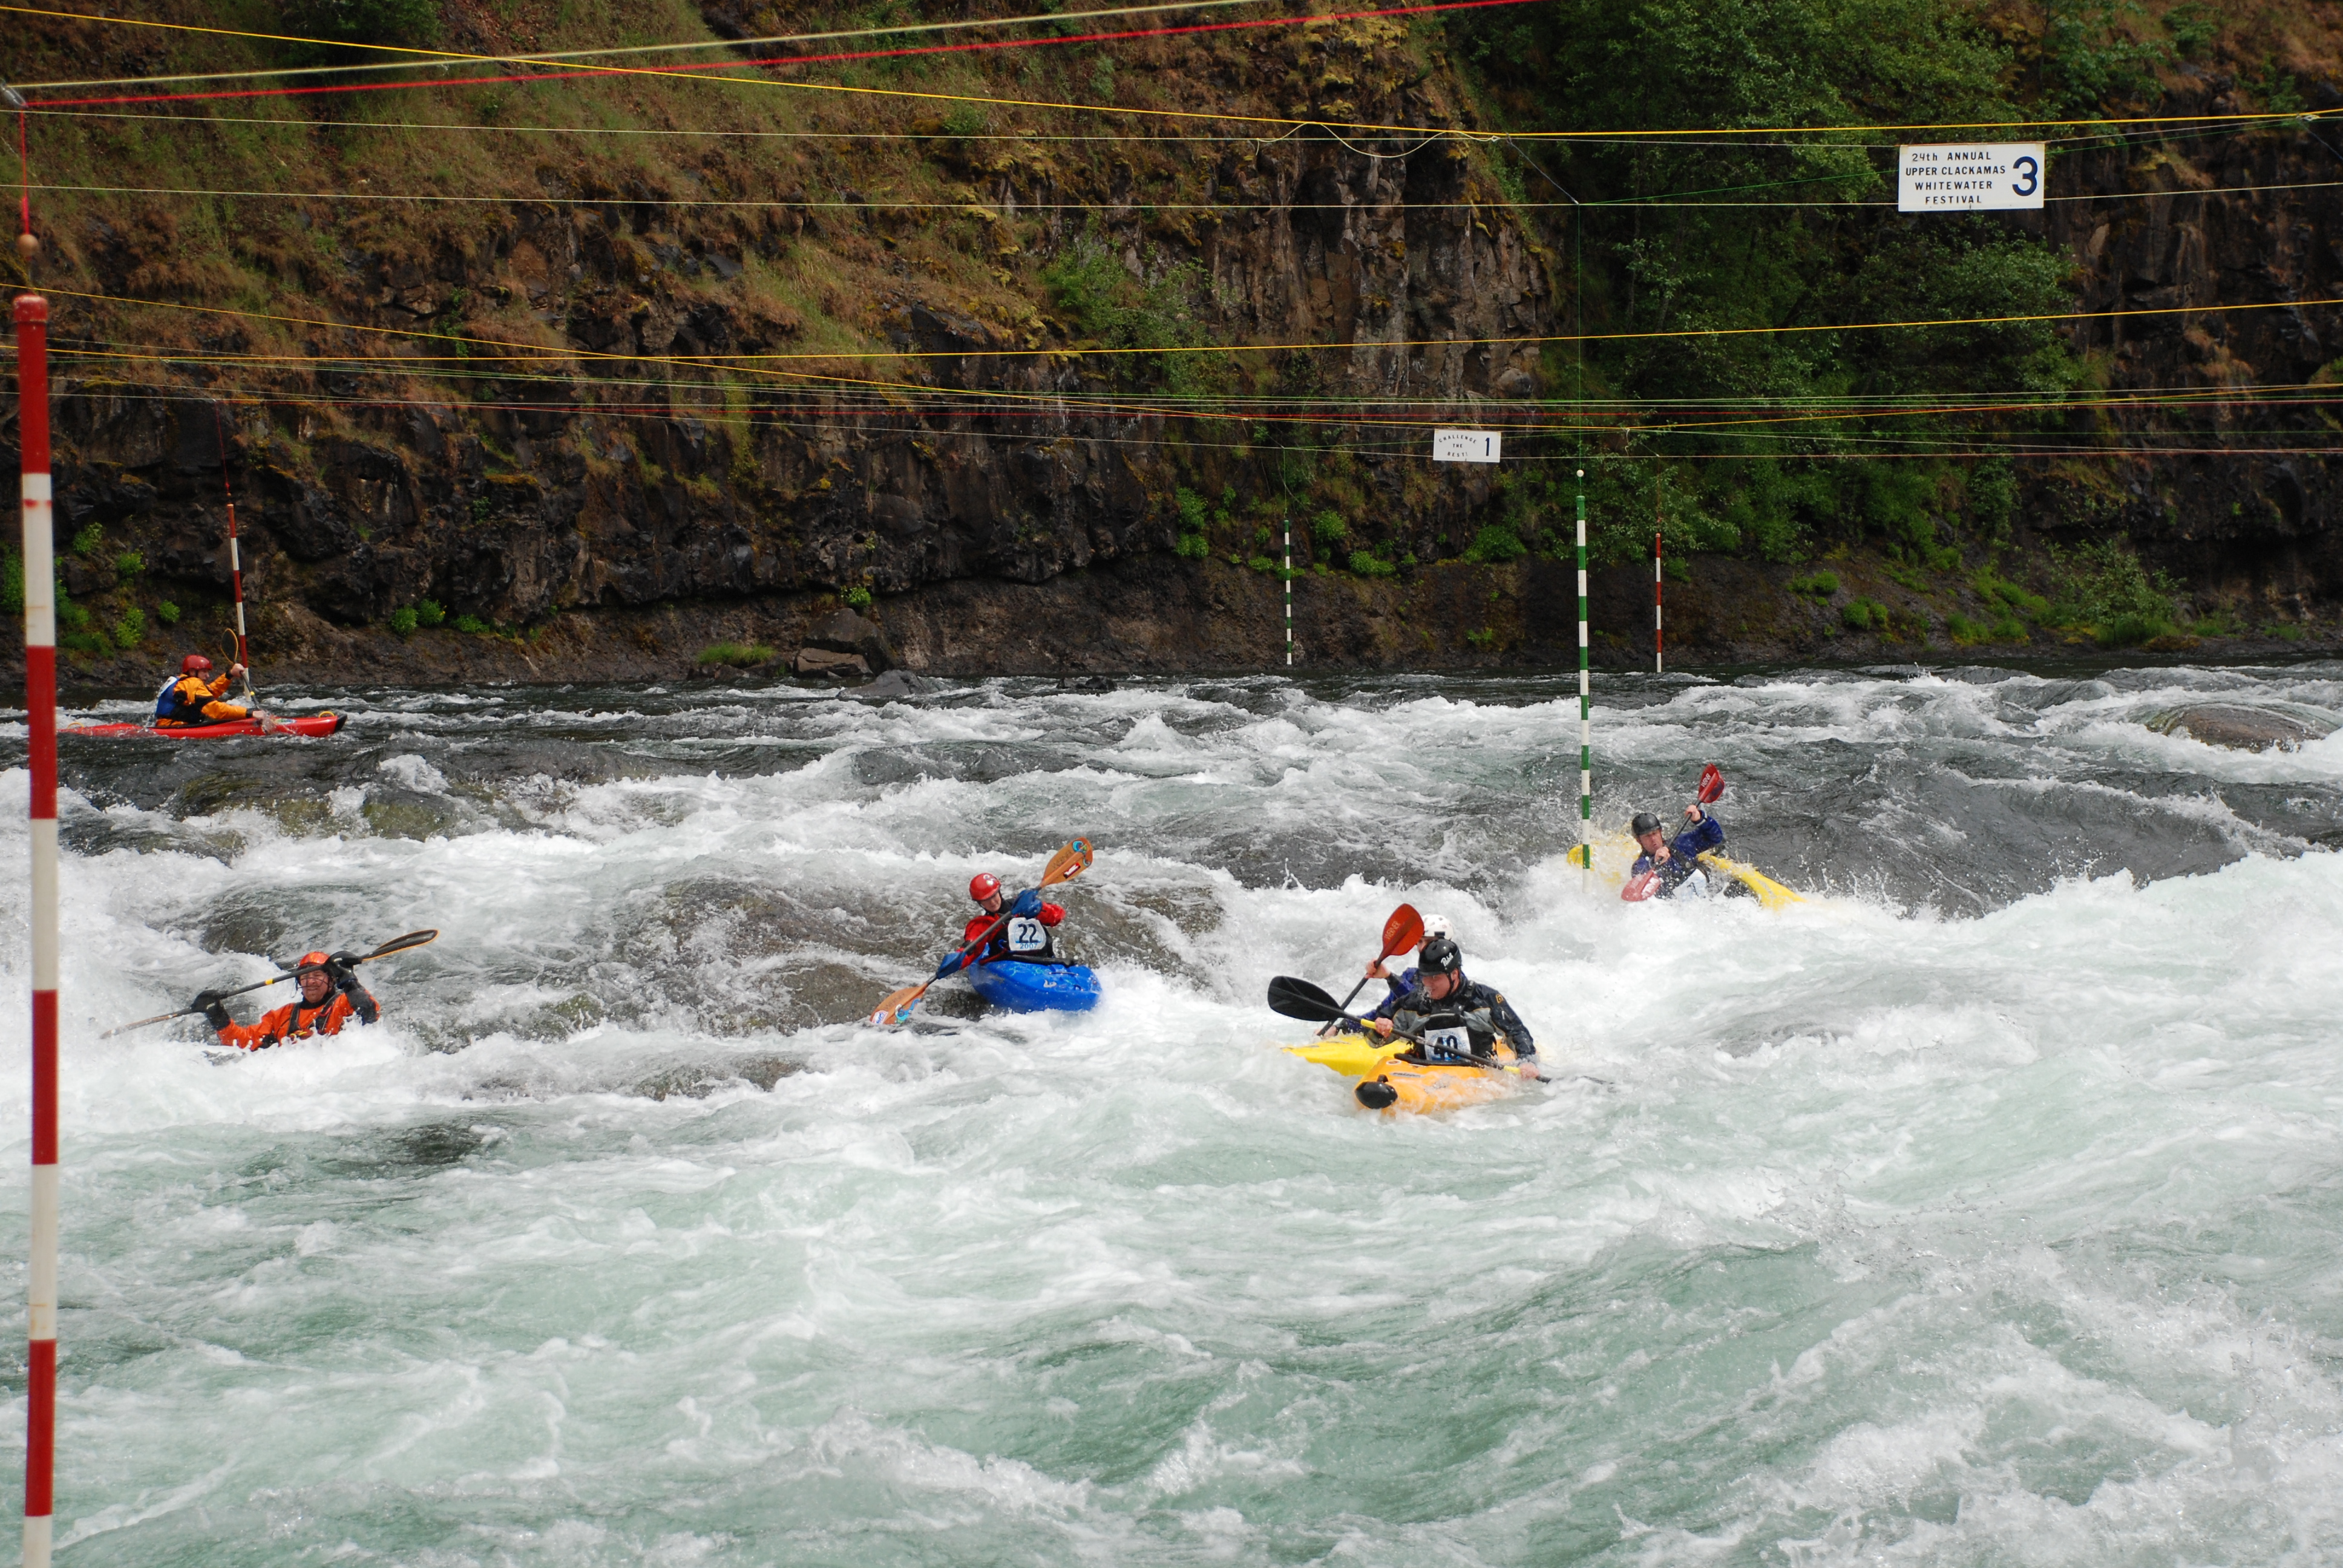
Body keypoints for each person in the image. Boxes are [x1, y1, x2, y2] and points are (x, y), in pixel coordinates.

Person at [1363, 936, 1539, 1080]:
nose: (1429, 985)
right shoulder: (1413, 1003)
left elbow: (1516, 1032)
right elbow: (1373, 1042)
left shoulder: (1484, 999)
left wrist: (1526, 1062)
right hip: (1425, 1075)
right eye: (1425, 978)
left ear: (1454, 974)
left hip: (1476, 1077)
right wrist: (1381, 1030)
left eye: (1435, 978)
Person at [198, 950, 378, 1051]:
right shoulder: (281, 1016)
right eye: (305, 976)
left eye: (318, 975)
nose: (311, 981)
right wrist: (217, 1016)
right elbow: (243, 1043)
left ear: (331, 980)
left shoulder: (344, 1003)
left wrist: (349, 980)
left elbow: (369, 1013)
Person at [960, 871, 1065, 964]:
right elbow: (972, 945)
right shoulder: (983, 924)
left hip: (1045, 960)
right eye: (986, 900)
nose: (992, 902)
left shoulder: (1023, 905)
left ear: (999, 893)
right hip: (1011, 965)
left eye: (993, 896)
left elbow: (1058, 917)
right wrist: (964, 952)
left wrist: (1040, 909)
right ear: (980, 903)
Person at [1629, 800, 1725, 900]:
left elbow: (1715, 838)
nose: (1653, 839)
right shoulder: (1640, 865)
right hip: (1678, 908)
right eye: (1647, 836)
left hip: (1709, 895)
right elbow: (1641, 878)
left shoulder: (1681, 844)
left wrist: (1700, 819)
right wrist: (1655, 862)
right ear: (1639, 841)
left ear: (1661, 832)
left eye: (1655, 833)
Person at [1363, 912, 1451, 1004]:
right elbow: (1384, 1010)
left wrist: (1390, 977)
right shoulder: (1410, 976)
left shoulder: (1454, 979)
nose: (1422, 948)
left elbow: (1423, 1006)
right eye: (1420, 942)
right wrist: (1350, 1018)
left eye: (1430, 941)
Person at [155, 653, 251, 728]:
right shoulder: (193, 683)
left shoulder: (182, 682)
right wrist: (248, 713)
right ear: (193, 672)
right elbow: (216, 710)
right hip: (175, 729)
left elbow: (210, 692)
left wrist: (230, 674)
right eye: (204, 671)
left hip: (166, 726)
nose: (208, 676)